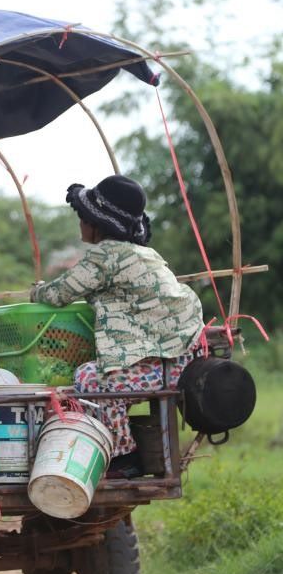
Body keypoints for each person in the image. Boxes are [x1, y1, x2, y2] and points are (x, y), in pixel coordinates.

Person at [30, 175, 204, 476]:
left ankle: (124, 457)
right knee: (91, 377)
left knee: (90, 379)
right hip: (180, 354)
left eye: (83, 218)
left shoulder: (105, 255)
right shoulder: (142, 253)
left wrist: (37, 290)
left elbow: (58, 294)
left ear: (97, 224)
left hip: (169, 364)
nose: (81, 224)